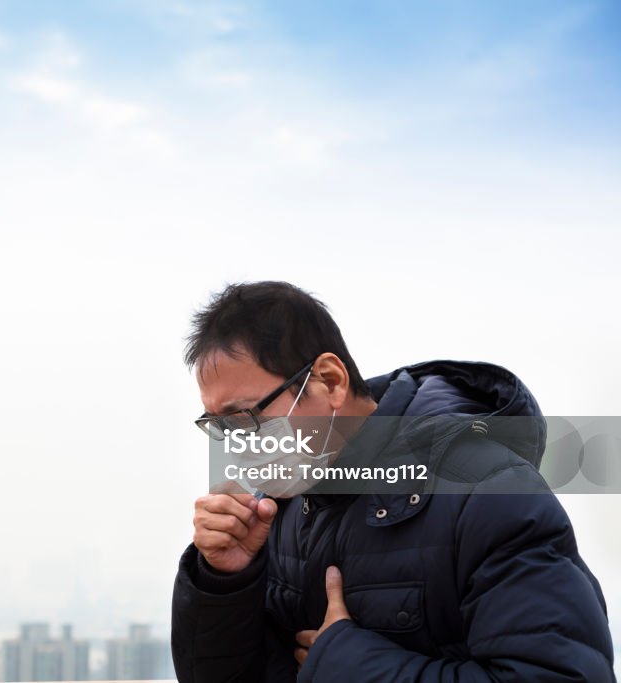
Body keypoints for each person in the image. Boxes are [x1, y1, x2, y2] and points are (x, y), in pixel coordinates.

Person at [171, 281, 615, 682]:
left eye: (248, 416)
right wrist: (225, 581)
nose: (238, 443)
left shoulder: (487, 492)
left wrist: (348, 666)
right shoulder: (279, 506)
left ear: (330, 380)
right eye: (219, 426)